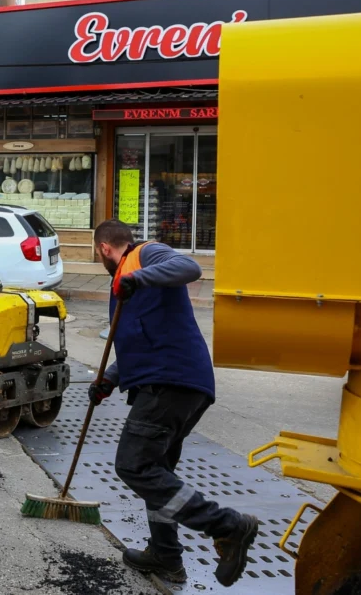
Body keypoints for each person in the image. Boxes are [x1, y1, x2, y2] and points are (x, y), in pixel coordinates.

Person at [90, 220, 258, 587]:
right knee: (157, 475)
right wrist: (109, 380)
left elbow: (190, 268)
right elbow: (143, 339)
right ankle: (166, 556)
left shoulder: (143, 255)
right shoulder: (126, 280)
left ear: (104, 248)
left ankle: (228, 525)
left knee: (134, 465)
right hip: (175, 382)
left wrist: (138, 278)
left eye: (97, 252)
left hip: (171, 382)